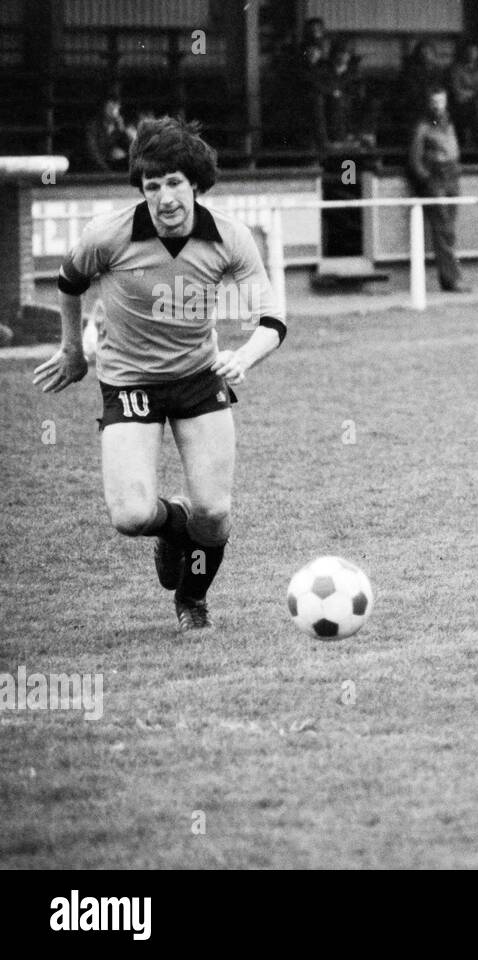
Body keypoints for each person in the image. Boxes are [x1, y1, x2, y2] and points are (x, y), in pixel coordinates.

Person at [33, 117, 287, 631]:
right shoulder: (108, 234)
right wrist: (72, 351)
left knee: (214, 512)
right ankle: (173, 526)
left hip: (198, 377)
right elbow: (68, 283)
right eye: (152, 186)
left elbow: (273, 318)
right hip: (129, 382)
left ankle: (193, 600)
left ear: (195, 183)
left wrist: (245, 356)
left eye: (174, 183)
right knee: (131, 517)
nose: (165, 197)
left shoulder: (229, 237)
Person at [408, 87, 470, 293]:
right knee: (443, 230)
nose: (437, 106)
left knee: (449, 230)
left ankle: (449, 278)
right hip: (437, 178)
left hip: (452, 176)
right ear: (428, 103)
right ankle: (452, 279)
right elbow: (415, 160)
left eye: (441, 102)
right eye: (434, 102)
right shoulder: (422, 127)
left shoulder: (451, 122)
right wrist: (428, 180)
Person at [86, 95, 133, 172]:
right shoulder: (94, 126)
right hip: (98, 168)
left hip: (119, 168)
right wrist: (106, 170)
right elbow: (93, 152)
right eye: (110, 108)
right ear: (103, 109)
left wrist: (123, 130)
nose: (113, 111)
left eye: (115, 107)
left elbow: (133, 149)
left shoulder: (120, 127)